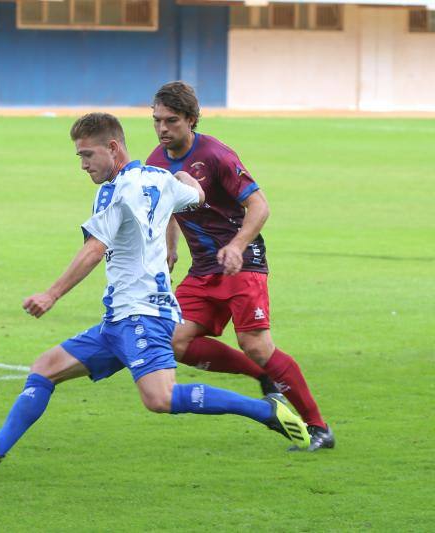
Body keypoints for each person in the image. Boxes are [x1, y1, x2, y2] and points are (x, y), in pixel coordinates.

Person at [0, 113, 310, 475]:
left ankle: (267, 410)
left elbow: (93, 250)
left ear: (113, 147)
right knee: (45, 368)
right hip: (121, 318)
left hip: (142, 315)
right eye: (80, 157)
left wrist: (52, 294)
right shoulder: (158, 178)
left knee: (160, 399)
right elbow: (196, 195)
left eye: (88, 155)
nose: (83, 165)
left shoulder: (113, 192)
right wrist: (183, 176)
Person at [145, 81, 334, 451]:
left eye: (171, 121)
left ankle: (318, 428)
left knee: (256, 344)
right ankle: (263, 377)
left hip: (242, 264)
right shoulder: (156, 162)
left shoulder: (215, 155)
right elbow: (168, 206)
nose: (162, 129)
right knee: (174, 340)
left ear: (191, 120)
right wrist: (169, 250)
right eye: (156, 121)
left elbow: (259, 205)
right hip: (202, 270)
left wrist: (236, 245)